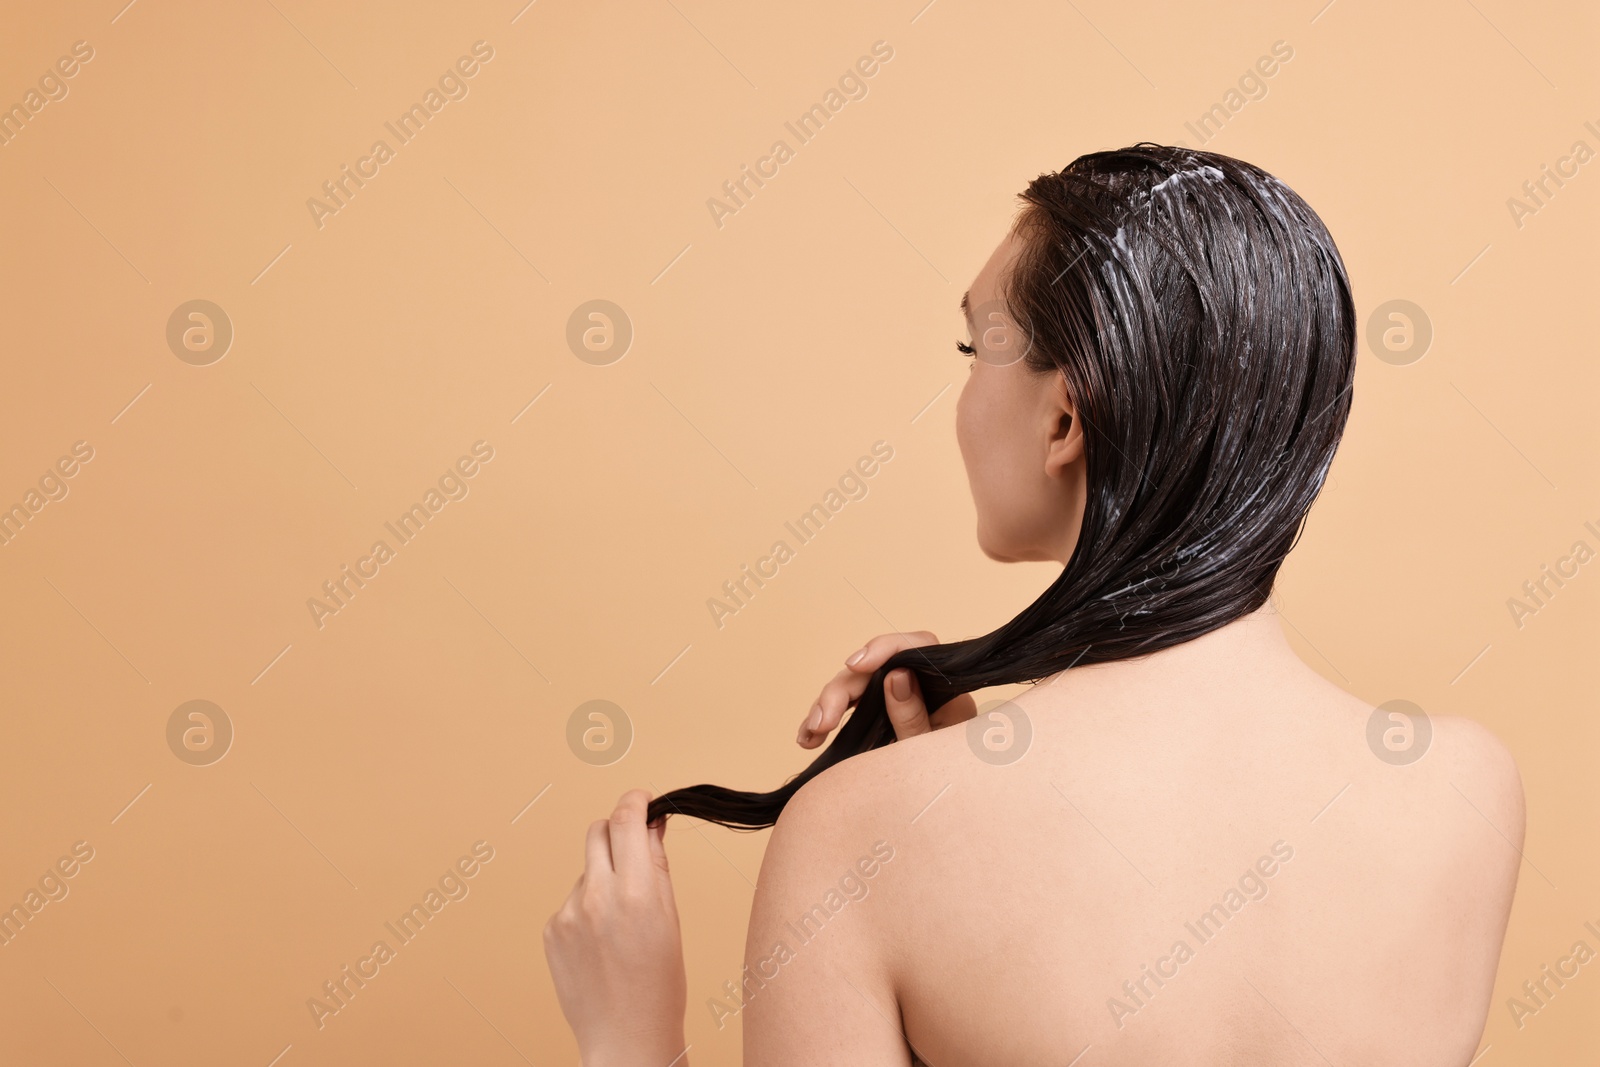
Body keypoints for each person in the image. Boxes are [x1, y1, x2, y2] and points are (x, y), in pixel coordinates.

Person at [543, 145, 1524, 1065]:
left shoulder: (855, 837)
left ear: (1063, 416)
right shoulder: (1466, 788)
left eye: (976, 348)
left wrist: (630, 1039)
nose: (964, 397)